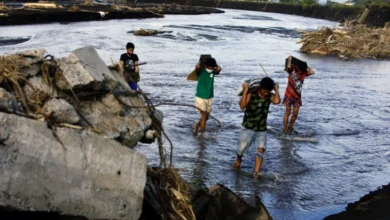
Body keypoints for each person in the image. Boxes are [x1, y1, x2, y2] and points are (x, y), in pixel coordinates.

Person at [232, 77, 281, 177]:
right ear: (259, 88)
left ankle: (256, 171)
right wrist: (245, 91)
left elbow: (277, 101)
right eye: (263, 91)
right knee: (241, 149)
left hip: (261, 129)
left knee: (261, 150)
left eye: (268, 91)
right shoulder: (251, 94)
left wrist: (276, 90)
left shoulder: (269, 96)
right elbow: (242, 106)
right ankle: (238, 160)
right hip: (248, 127)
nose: (265, 93)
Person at [282, 56, 315, 134]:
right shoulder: (292, 71)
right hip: (288, 95)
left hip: (297, 97)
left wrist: (307, 66)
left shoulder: (303, 74)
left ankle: (290, 126)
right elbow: (289, 66)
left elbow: (312, 72)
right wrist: (290, 60)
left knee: (295, 114)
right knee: (287, 112)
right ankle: (285, 129)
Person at [193, 57, 222, 135]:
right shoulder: (201, 72)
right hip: (200, 96)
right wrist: (201, 62)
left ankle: (197, 125)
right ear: (205, 66)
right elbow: (197, 67)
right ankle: (202, 134)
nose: (211, 68)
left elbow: (219, 68)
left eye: (212, 67)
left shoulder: (212, 72)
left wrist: (215, 65)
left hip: (209, 96)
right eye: (210, 67)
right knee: (204, 115)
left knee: (206, 116)